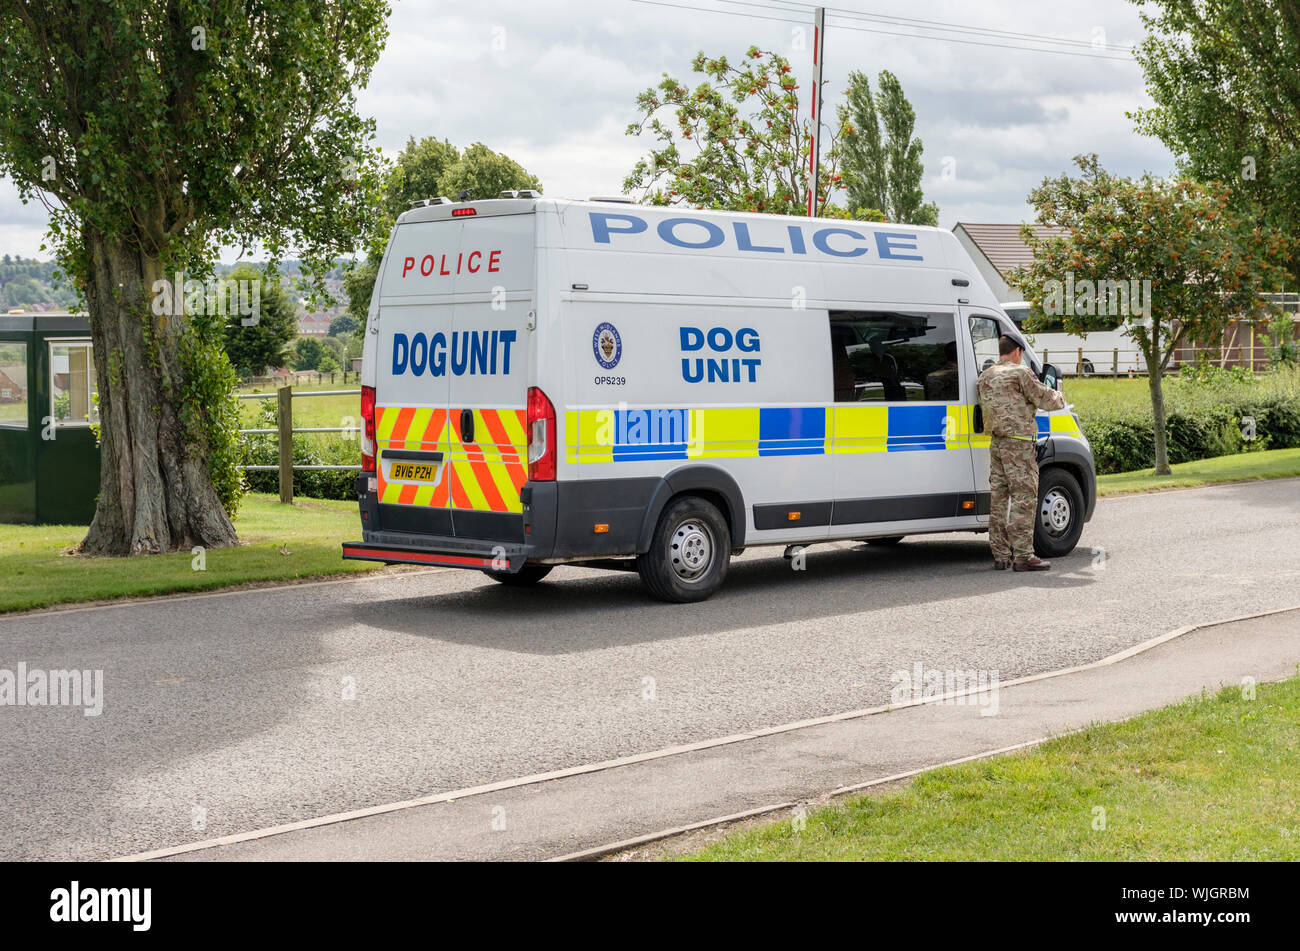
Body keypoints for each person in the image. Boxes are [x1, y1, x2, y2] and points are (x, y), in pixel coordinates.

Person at [976, 335, 1065, 572]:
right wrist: (1060, 394)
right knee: (1024, 498)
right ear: (1017, 351)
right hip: (1019, 444)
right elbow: (1047, 400)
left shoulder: (985, 376)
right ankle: (1024, 555)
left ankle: (1000, 554)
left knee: (999, 499)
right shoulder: (1021, 373)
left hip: (997, 443)